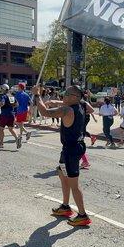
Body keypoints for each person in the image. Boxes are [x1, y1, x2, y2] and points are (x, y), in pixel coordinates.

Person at [32, 84, 92, 226]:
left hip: (71, 150)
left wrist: (37, 95)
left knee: (74, 184)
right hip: (75, 147)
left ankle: (83, 215)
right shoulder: (82, 106)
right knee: (61, 173)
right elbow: (90, 108)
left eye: (66, 94)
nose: (63, 96)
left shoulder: (66, 110)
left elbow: (44, 112)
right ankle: (65, 207)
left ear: (74, 97)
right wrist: (58, 101)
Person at [0, 84, 22, 149]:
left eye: (1, 89)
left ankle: (1, 143)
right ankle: (17, 139)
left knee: (1, 129)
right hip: (11, 114)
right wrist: (10, 106)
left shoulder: (2, 96)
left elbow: (2, 104)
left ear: (3, 89)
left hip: (4, 115)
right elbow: (17, 104)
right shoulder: (11, 96)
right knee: (11, 129)